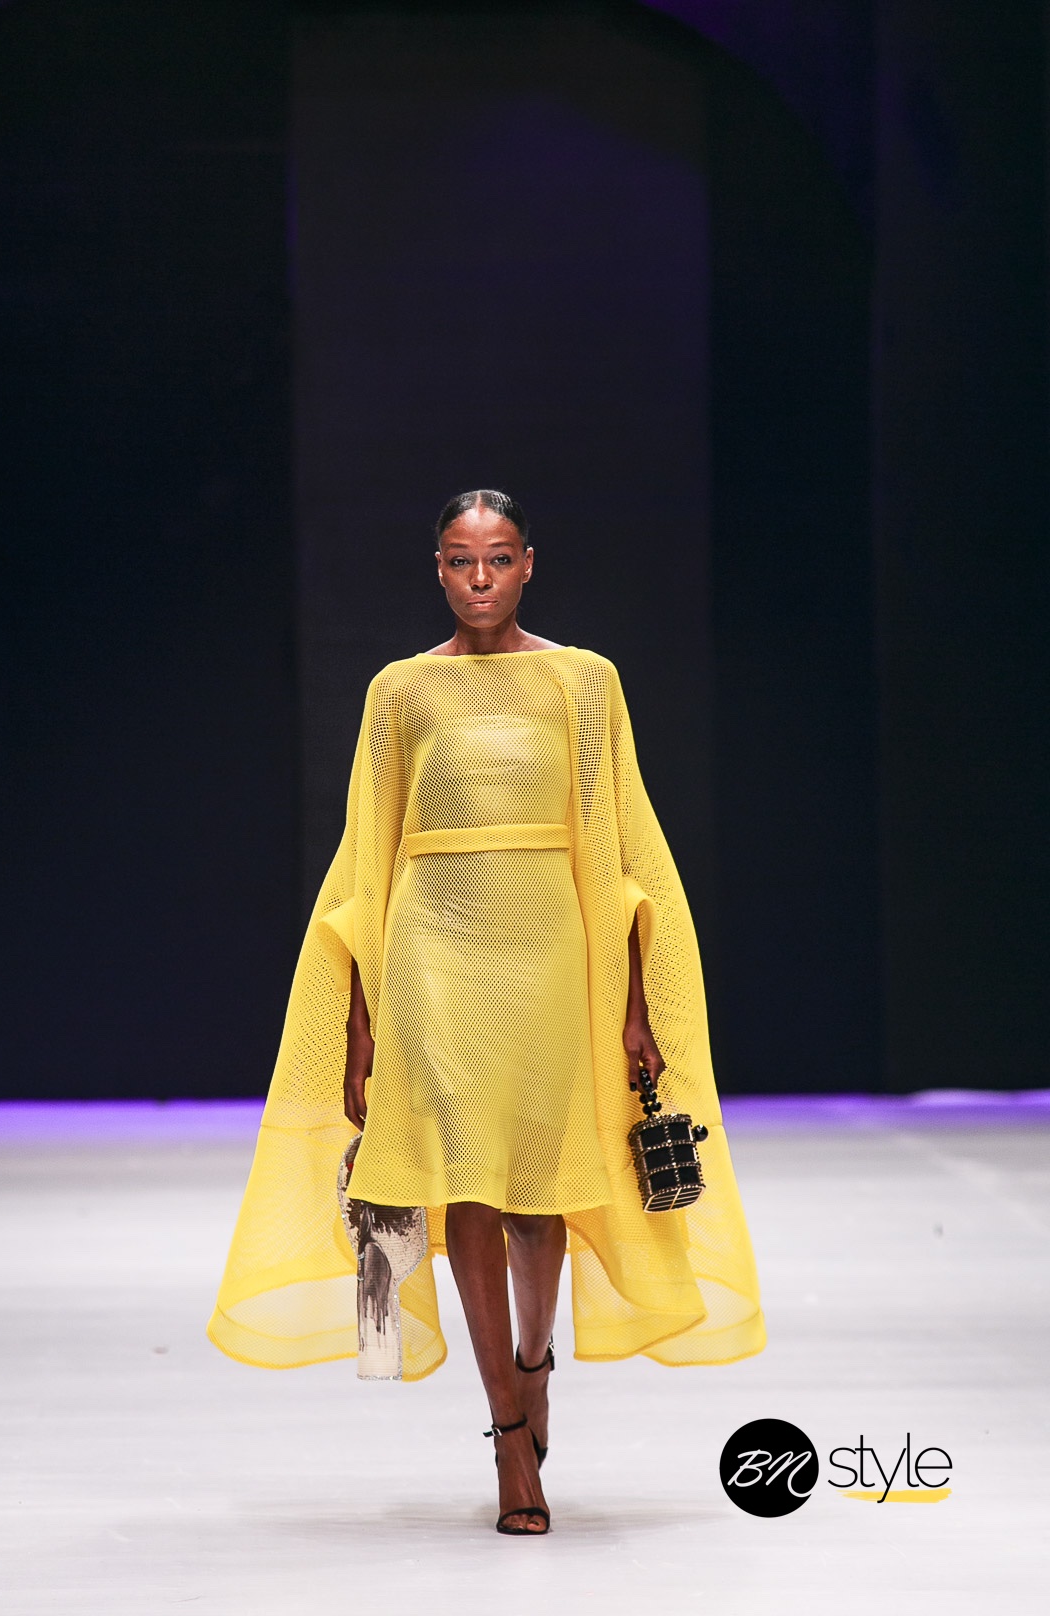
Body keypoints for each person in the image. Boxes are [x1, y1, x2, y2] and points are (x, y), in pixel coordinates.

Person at [208, 490, 765, 1536]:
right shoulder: (400, 691)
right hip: (433, 953)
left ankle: (533, 1363)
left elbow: (618, 846)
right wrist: (359, 1018)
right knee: (465, 1183)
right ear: (437, 568)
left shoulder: (584, 680)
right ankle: (509, 1429)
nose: (479, 578)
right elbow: (367, 858)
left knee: (538, 1194)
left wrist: (635, 1004)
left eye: (498, 558)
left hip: (552, 953)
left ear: (528, 565)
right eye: (461, 559)